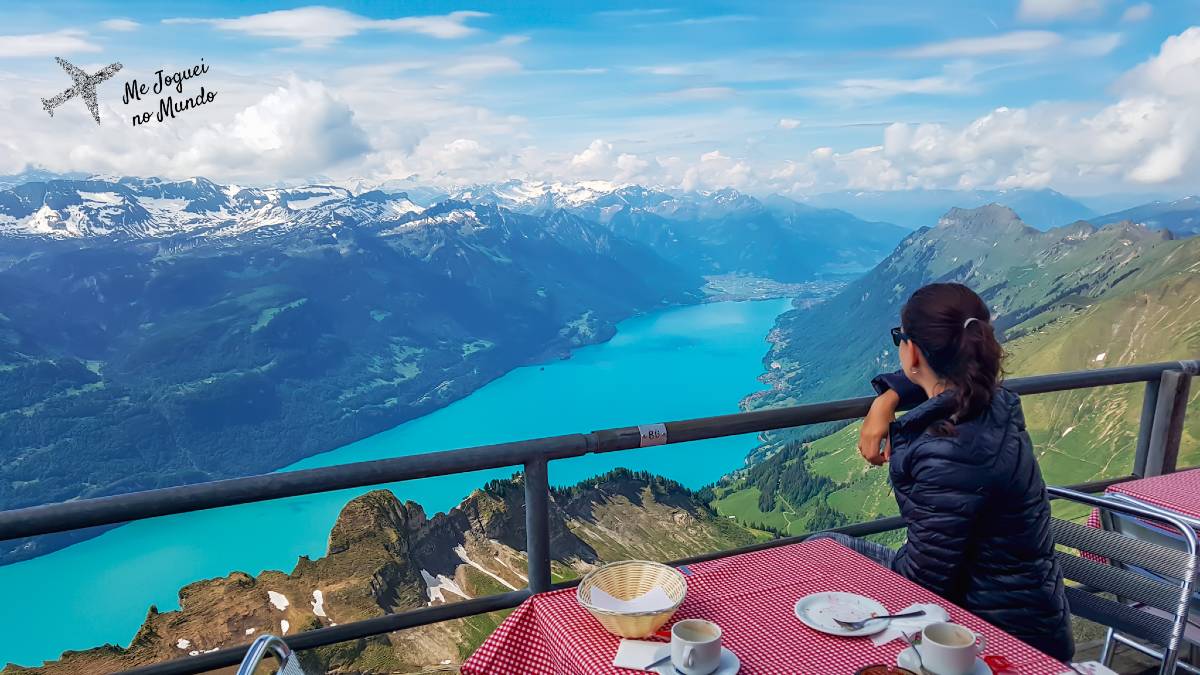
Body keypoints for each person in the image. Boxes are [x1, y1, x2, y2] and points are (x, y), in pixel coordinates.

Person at [812, 282, 1073, 662]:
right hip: (1029, 610)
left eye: (900, 339)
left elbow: (922, 579)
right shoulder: (995, 402)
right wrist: (890, 396)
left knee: (822, 552)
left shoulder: (949, 451)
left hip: (995, 634)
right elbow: (950, 385)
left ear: (913, 350)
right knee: (825, 547)